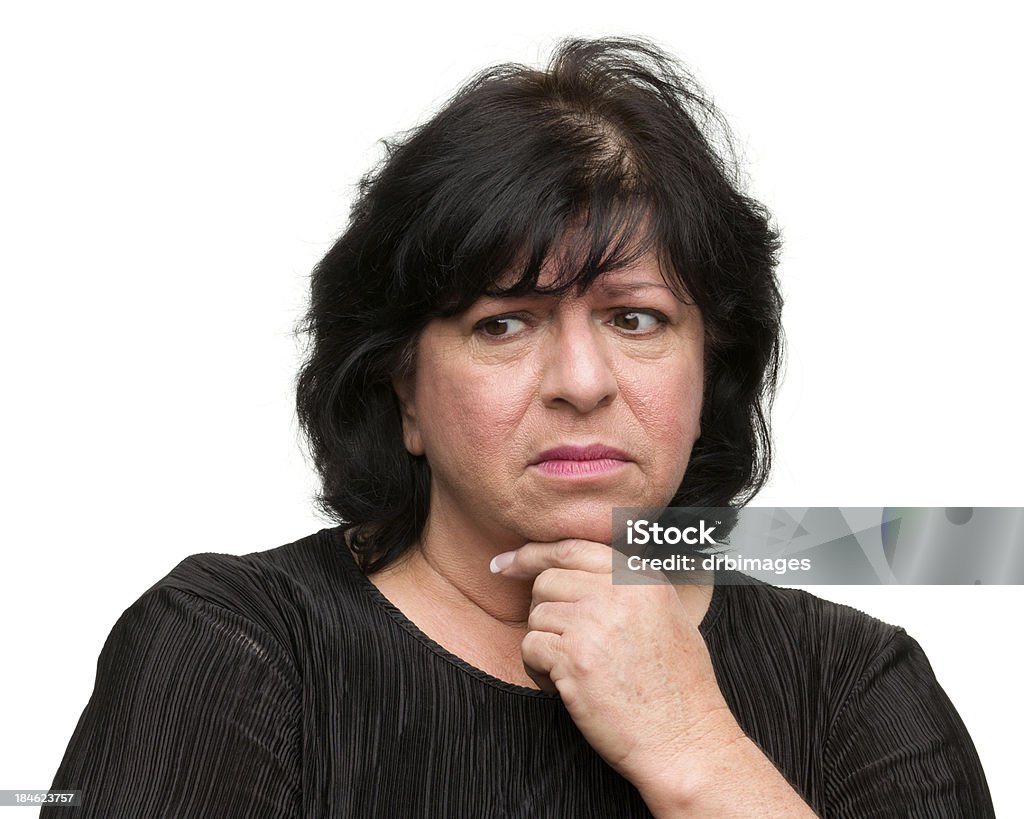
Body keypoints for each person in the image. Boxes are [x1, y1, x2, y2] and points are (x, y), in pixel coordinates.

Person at [45, 37, 994, 817]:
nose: (582, 382)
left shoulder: (857, 681)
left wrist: (697, 750)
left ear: (713, 369)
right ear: (402, 388)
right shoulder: (236, 647)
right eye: (504, 322)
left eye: (637, 318)